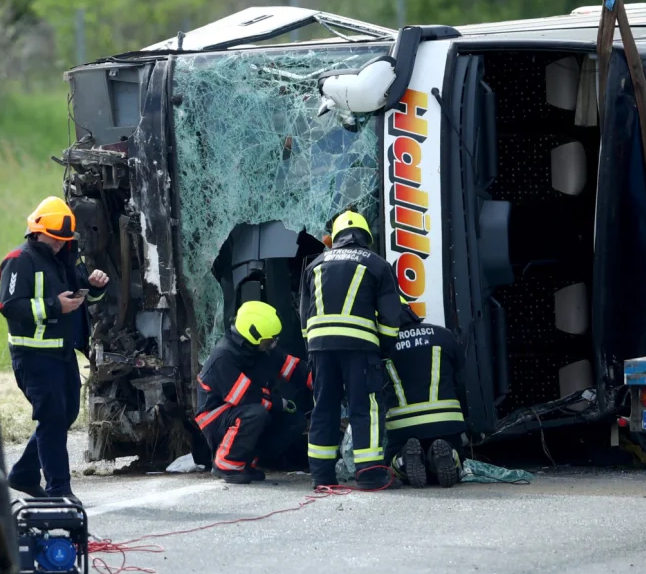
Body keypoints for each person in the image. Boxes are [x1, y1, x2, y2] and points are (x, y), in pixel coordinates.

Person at [0, 196, 108, 503]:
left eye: (63, 239)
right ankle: (59, 490)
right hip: (33, 356)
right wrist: (53, 306)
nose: (59, 244)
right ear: (36, 232)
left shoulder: (66, 259)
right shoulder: (19, 260)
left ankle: (24, 474)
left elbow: (83, 296)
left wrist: (95, 285)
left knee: (65, 414)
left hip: (62, 353)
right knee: (52, 419)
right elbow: (9, 306)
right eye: (54, 238)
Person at [300, 210, 404, 490]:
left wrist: (312, 348)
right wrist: (384, 349)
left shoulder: (315, 265)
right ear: (365, 237)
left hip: (320, 348)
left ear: (336, 237)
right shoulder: (377, 264)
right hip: (359, 348)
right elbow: (391, 316)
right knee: (365, 407)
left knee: (323, 408)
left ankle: (321, 476)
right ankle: (370, 474)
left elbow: (304, 316)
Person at [196, 300, 312, 484]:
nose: (273, 343)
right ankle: (226, 464)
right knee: (255, 413)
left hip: (244, 408)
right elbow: (246, 397)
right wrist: (278, 403)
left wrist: (321, 382)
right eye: (269, 340)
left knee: (294, 421)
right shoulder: (223, 358)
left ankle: (247, 461)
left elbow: (292, 367)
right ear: (254, 336)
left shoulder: (262, 350)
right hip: (215, 416)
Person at [384, 299, 468, 488]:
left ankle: (403, 459)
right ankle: (448, 454)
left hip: (402, 425)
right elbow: (461, 377)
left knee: (391, 460)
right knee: (456, 456)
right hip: (446, 420)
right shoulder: (443, 335)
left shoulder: (383, 345)